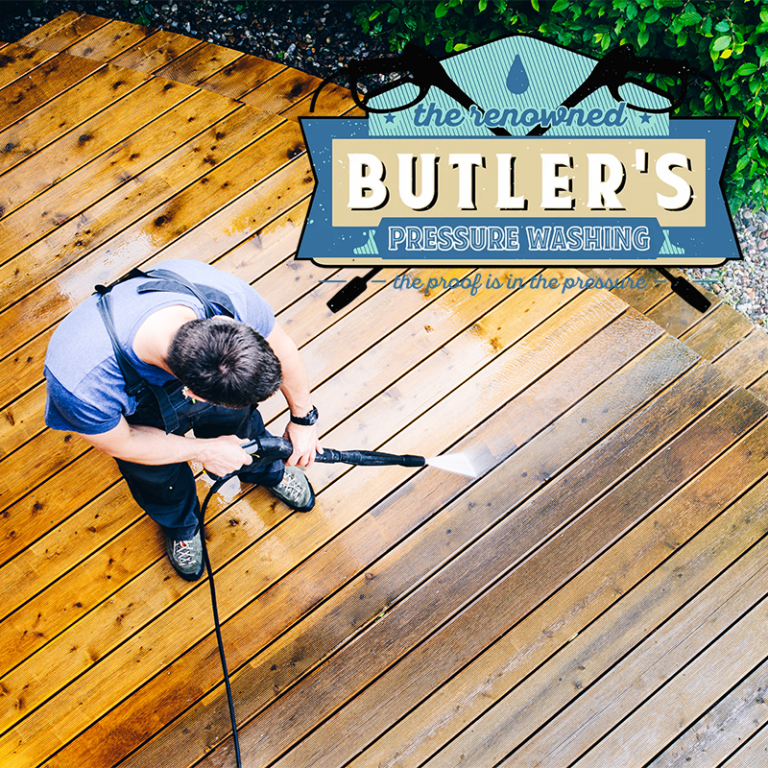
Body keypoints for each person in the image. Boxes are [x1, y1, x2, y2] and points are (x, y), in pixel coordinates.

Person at [44, 260, 322, 581]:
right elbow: (124, 442)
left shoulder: (225, 298)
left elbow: (281, 348)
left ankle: (266, 470)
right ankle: (182, 524)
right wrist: (203, 451)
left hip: (195, 385)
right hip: (136, 422)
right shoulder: (81, 382)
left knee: (241, 426)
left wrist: (304, 418)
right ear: (193, 394)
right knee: (158, 478)